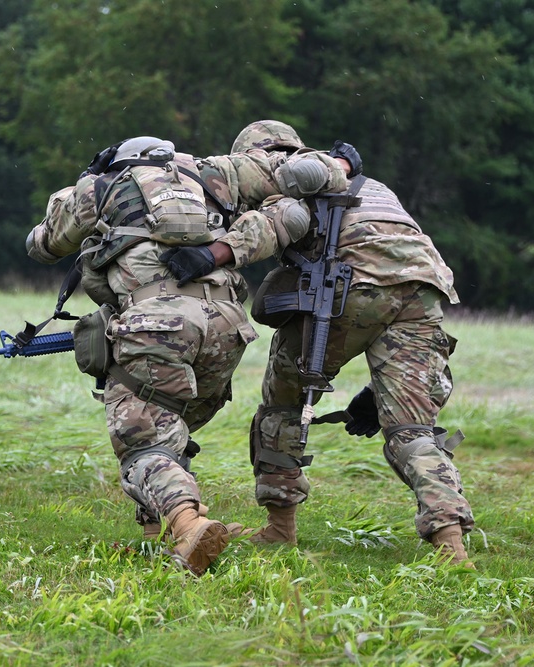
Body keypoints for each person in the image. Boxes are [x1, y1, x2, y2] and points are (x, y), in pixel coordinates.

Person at [25, 136, 352, 575]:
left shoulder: (99, 188)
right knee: (167, 426)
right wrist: (341, 163)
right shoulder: (216, 172)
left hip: (156, 323)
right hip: (225, 327)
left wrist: (82, 187)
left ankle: (188, 525)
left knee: (144, 444)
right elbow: (307, 175)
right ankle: (157, 538)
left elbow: (42, 245)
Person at [165, 120, 475, 567]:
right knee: (412, 430)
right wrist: (382, 393)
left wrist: (209, 256)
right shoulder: (368, 183)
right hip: (424, 286)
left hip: (349, 286)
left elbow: (272, 228)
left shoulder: (290, 177)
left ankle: (279, 529)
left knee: (283, 407)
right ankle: (452, 545)